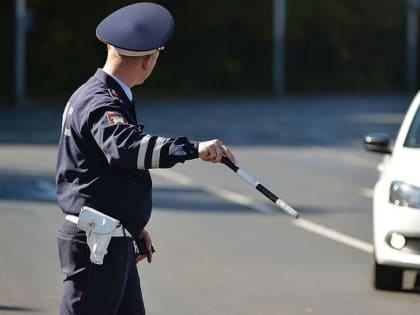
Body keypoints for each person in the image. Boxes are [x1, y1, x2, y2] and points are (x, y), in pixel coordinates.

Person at [55, 3, 236, 315]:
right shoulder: (101, 102)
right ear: (150, 61)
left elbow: (109, 169)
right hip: (98, 242)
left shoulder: (102, 94)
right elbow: (126, 148)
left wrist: (131, 226)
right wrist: (193, 149)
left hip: (112, 237)